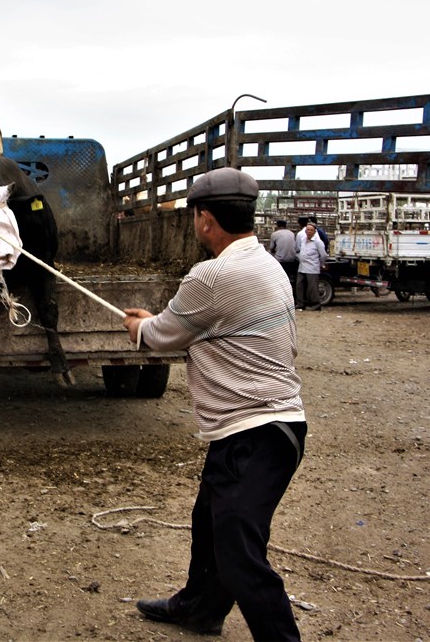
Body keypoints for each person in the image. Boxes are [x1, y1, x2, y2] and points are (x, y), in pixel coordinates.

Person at [123, 167, 307, 642]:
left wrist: (142, 327)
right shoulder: (266, 264)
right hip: (262, 429)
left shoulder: (213, 274)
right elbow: (191, 322)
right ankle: (199, 608)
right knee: (209, 521)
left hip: (257, 430)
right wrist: (158, 322)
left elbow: (162, 336)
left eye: (195, 218)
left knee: (239, 551)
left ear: (205, 220)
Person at [295, 221, 328, 312]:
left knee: (312, 288)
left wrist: (320, 264)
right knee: (299, 286)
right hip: (302, 267)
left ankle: (316, 304)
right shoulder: (303, 240)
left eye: (311, 230)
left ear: (314, 232)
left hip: (312, 268)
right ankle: (300, 304)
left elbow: (323, 255)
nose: (309, 231)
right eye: (307, 230)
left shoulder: (318, 242)